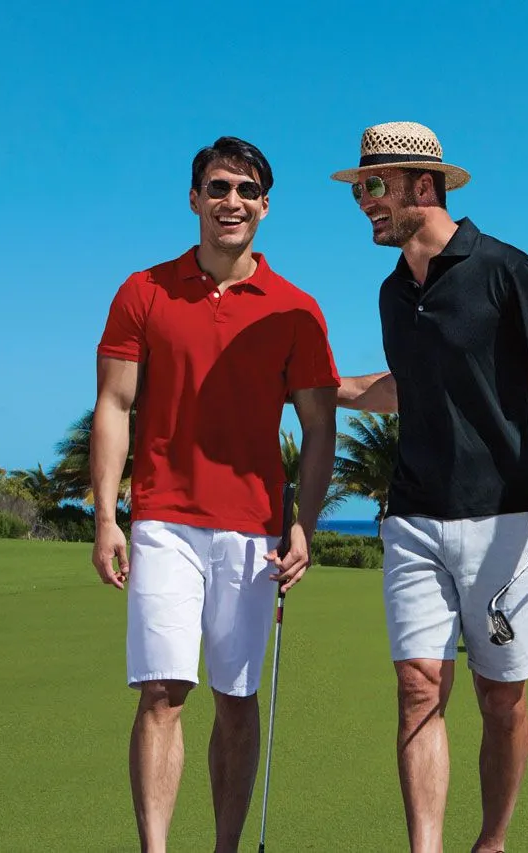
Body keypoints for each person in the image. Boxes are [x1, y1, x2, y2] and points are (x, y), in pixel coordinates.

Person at [332, 121, 528, 853]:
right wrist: (326, 387)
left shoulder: (504, 267)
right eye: (359, 189)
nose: (364, 201)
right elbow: (406, 387)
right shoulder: (392, 292)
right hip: (413, 516)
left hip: (505, 519)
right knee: (418, 686)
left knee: (500, 699)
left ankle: (492, 841)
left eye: (374, 186)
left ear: (424, 185)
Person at [91, 136, 339, 853]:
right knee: (162, 692)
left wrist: (304, 523)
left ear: (265, 205)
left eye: (247, 190)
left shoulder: (296, 309)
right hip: (163, 519)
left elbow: (319, 426)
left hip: (254, 528)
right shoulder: (143, 291)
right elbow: (113, 405)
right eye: (219, 187)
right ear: (195, 198)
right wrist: (106, 516)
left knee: (236, 699)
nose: (232, 201)